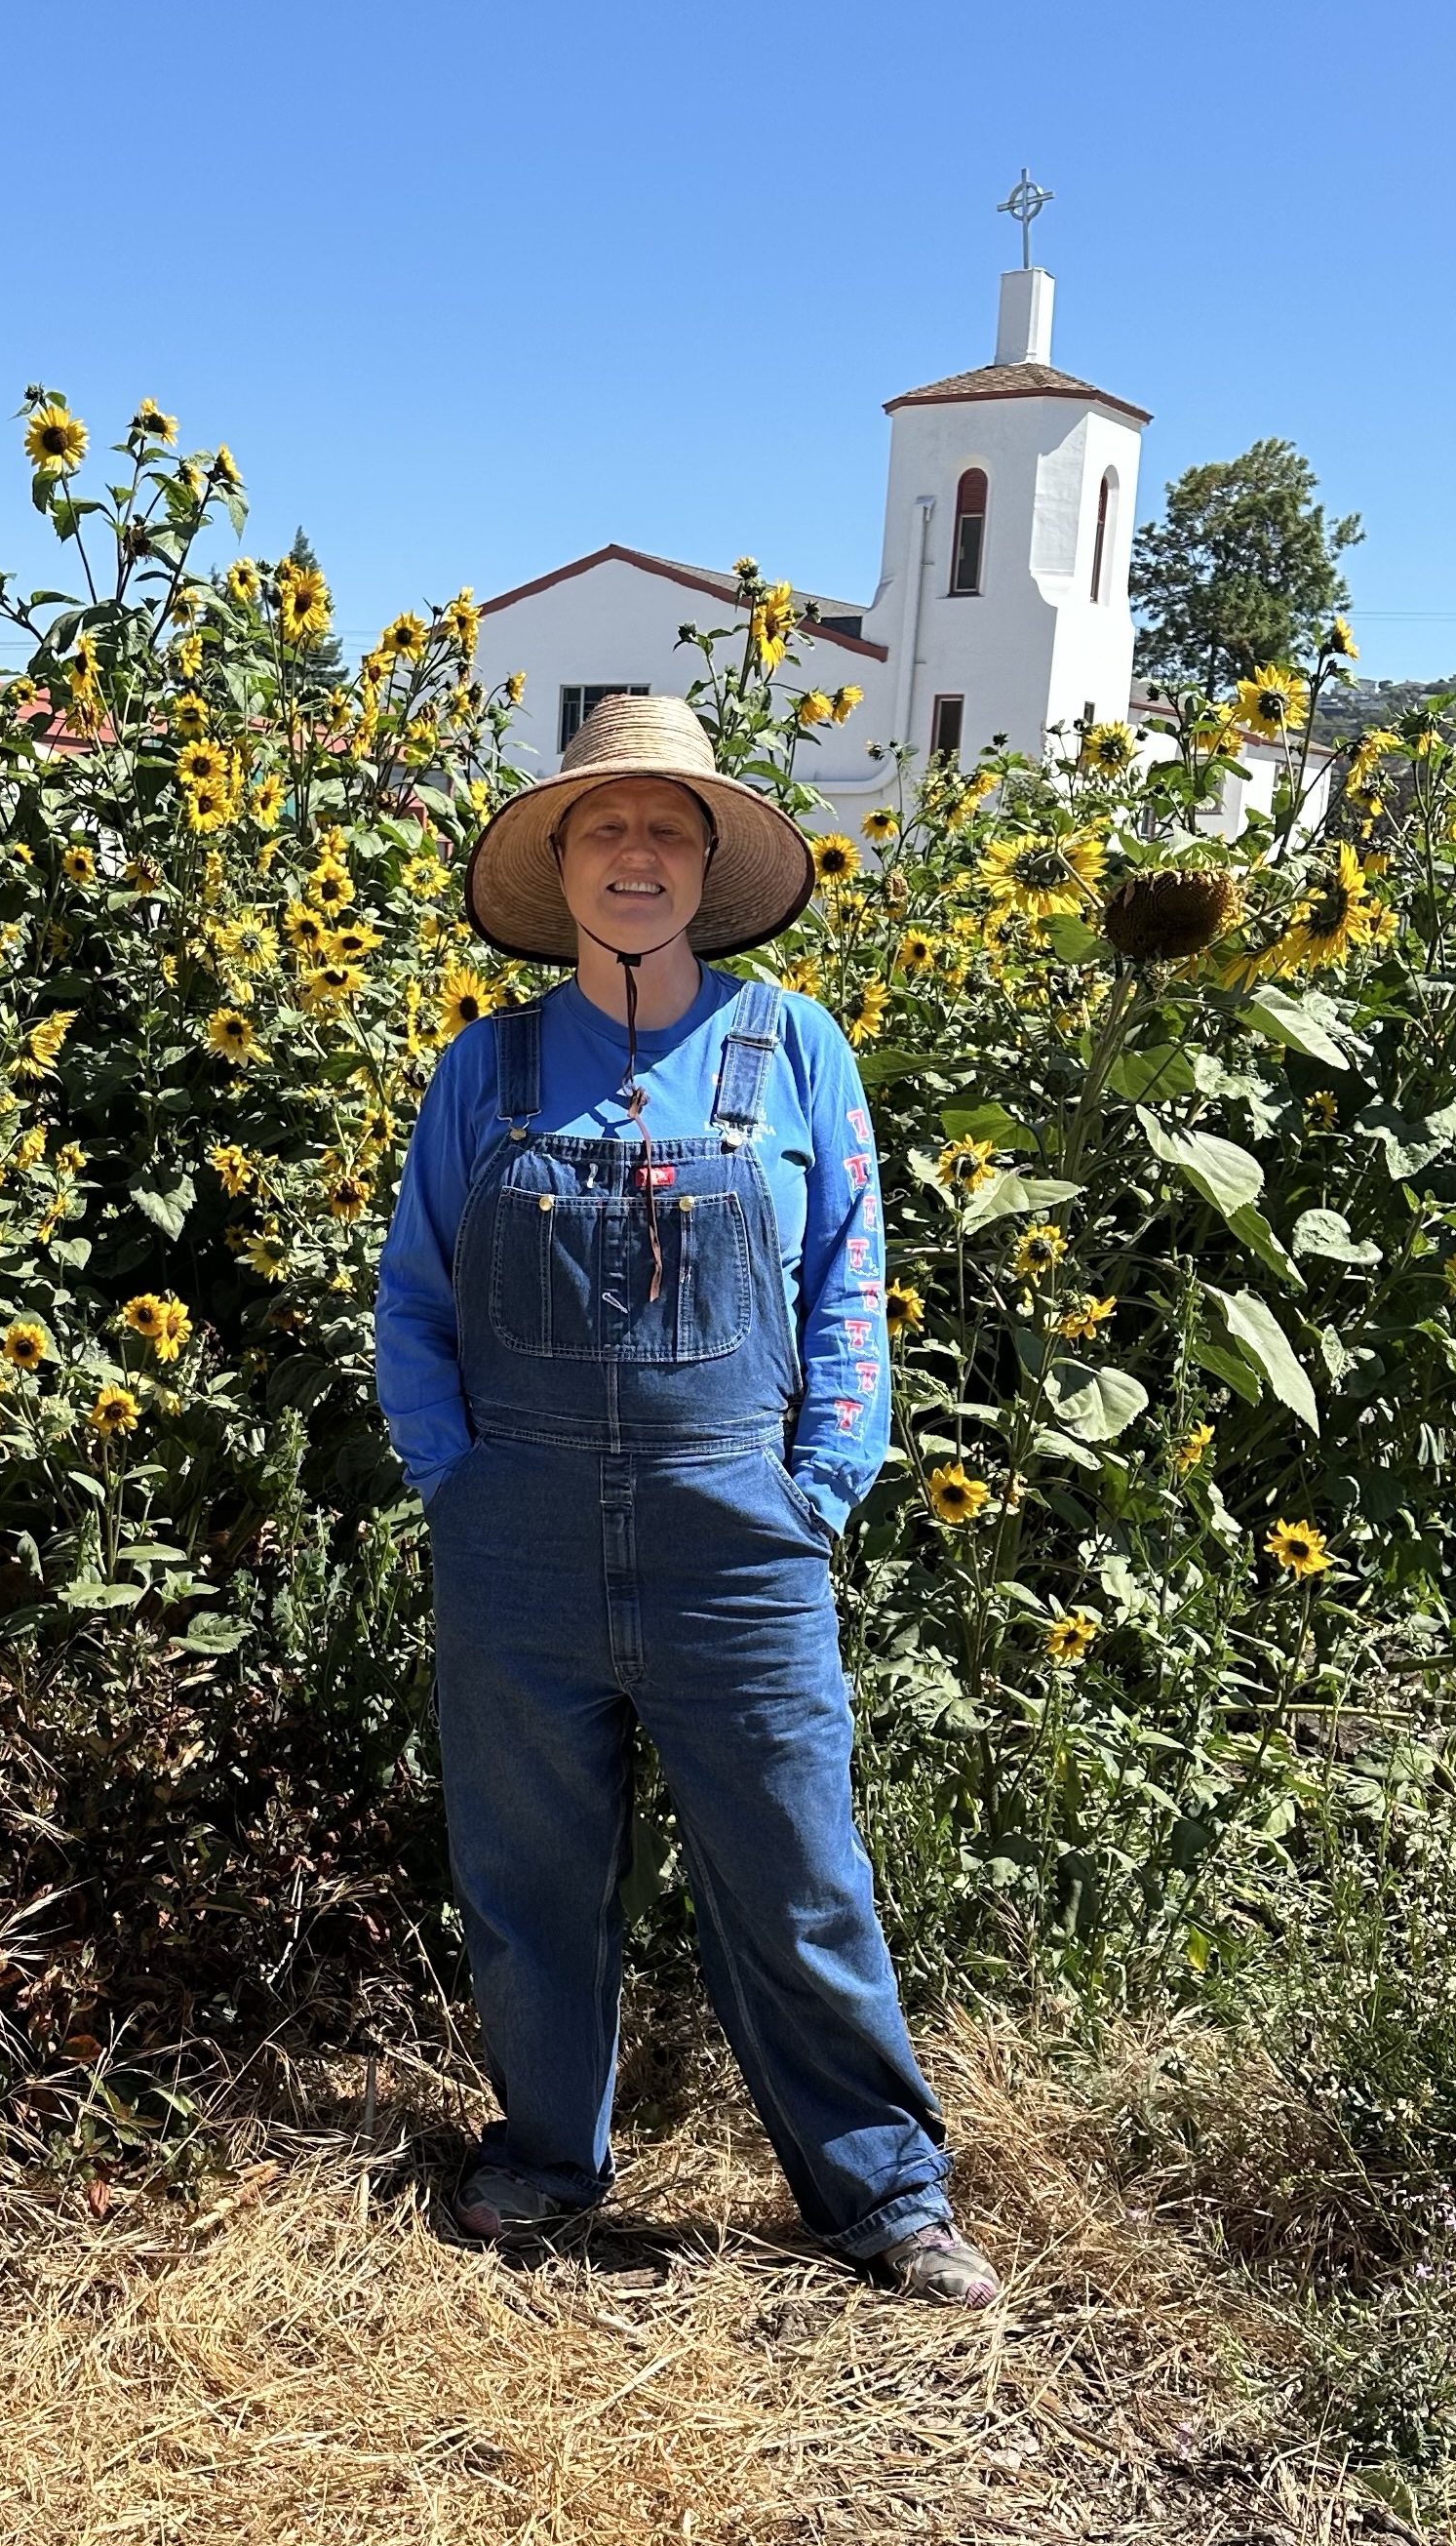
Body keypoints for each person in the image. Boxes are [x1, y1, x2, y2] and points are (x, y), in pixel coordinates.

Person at [374, 695, 999, 2307]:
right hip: (514, 1537)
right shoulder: (485, 1066)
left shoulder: (792, 1046)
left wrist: (823, 1481)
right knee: (527, 1871)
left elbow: (850, 1272)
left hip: (742, 1538)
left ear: (707, 862)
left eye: (666, 828)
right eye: (604, 827)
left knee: (797, 1868)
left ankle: (880, 2188)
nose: (634, 854)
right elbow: (415, 1298)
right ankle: (546, 2160)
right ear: (561, 864)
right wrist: (451, 1474)